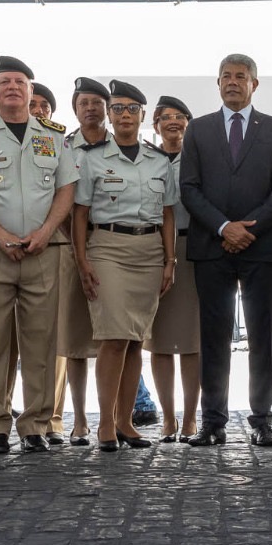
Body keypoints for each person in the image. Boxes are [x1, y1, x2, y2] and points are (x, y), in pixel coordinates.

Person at [0, 56, 78, 455]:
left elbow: (66, 190)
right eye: (4, 81)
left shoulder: (54, 137)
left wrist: (45, 232)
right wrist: (0, 234)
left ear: (30, 90)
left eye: (19, 81)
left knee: (41, 341)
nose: (12, 87)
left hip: (42, 251)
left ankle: (35, 425)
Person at [179, 53, 272, 447]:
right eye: (226, 76)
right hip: (212, 245)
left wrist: (250, 228)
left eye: (240, 77)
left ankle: (262, 419)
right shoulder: (198, 129)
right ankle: (213, 422)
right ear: (217, 83)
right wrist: (224, 227)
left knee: (264, 336)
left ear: (254, 84)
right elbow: (189, 188)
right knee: (214, 337)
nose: (232, 82)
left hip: (260, 247)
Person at [72, 81, 176, 450]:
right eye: (117, 109)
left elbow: (167, 214)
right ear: (109, 115)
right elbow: (80, 214)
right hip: (108, 249)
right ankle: (104, 424)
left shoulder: (159, 161)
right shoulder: (93, 158)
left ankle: (125, 421)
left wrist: (169, 260)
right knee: (113, 338)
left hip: (149, 252)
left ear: (144, 116)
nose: (125, 115)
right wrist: (82, 260)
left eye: (132, 109)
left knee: (134, 341)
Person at [55, 77, 110, 445]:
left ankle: (112, 416)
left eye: (97, 102)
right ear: (74, 108)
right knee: (75, 340)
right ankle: (78, 419)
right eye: (83, 102)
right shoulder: (62, 147)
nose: (90, 107)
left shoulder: (124, 143)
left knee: (112, 336)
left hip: (111, 245)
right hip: (69, 246)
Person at [146, 94, 201, 443]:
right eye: (166, 117)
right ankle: (168, 418)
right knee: (160, 340)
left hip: (192, 247)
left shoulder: (200, 161)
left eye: (180, 117)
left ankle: (192, 418)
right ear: (155, 126)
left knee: (193, 339)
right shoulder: (146, 160)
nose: (173, 122)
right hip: (152, 250)